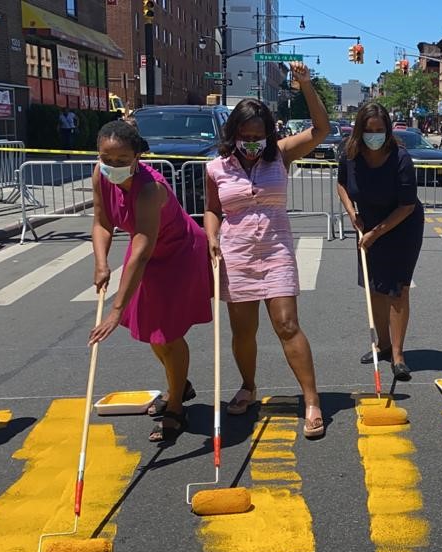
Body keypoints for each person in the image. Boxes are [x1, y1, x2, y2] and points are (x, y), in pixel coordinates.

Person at [204, 61, 330, 438]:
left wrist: (305, 85)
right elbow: (212, 208)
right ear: (234, 133)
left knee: (287, 325)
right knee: (243, 332)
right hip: (236, 254)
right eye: (245, 134)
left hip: (275, 251)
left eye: (259, 134)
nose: (253, 141)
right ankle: (248, 386)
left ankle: (311, 400)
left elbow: (322, 129)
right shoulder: (217, 168)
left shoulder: (281, 155)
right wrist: (211, 236)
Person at [88, 120, 212, 442]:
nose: (111, 166)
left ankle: (176, 408)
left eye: (121, 160)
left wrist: (116, 311)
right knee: (153, 333)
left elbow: (141, 254)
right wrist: (101, 264)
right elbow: (102, 222)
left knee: (166, 333)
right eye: (106, 159)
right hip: (146, 248)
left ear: (137, 157)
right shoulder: (99, 176)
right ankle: (179, 384)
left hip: (177, 252)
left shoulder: (148, 189)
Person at [336, 102, 424, 381]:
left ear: (387, 130)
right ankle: (382, 345)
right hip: (368, 223)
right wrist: (353, 215)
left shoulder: (400, 158)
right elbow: (341, 184)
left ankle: (398, 355)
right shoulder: (350, 155)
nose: (374, 135)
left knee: (397, 289)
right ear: (360, 131)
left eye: (379, 130)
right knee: (374, 287)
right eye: (369, 130)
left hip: (401, 225)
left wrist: (376, 233)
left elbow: (407, 205)